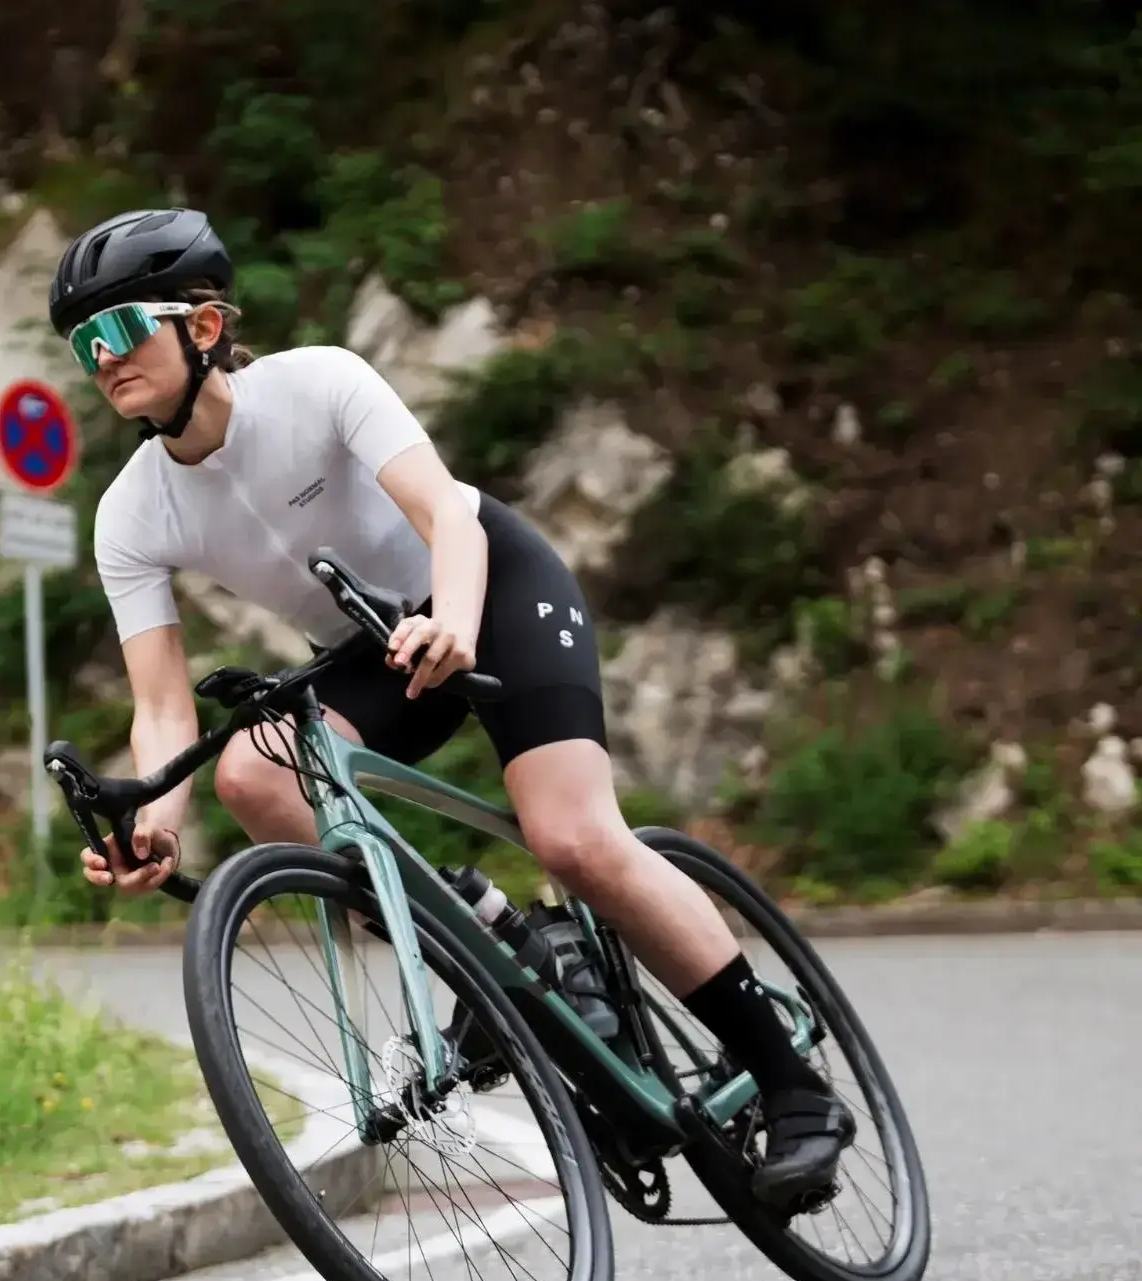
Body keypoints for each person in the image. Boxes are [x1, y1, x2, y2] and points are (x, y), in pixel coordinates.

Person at [47, 206, 854, 1210]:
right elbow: (162, 710)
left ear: (203, 328)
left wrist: (458, 620)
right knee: (252, 773)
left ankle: (792, 1085)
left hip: (491, 586)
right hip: (368, 644)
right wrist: (153, 823)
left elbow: (448, 517)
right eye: (84, 343)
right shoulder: (130, 512)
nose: (102, 359)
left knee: (574, 839)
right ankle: (502, 937)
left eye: (122, 329)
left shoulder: (323, 383)